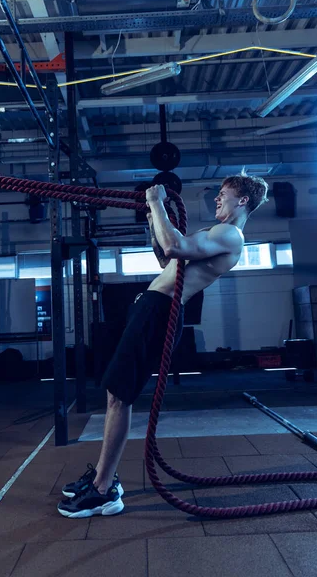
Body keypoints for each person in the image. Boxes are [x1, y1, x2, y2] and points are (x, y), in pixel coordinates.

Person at [57, 172, 269, 519]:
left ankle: (103, 490)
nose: (216, 199)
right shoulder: (214, 233)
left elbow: (174, 247)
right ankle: (101, 478)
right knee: (114, 393)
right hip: (151, 307)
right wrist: (153, 218)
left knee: (119, 396)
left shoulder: (230, 234)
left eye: (222, 194)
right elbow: (165, 258)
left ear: (242, 201)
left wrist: (157, 203)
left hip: (160, 311)